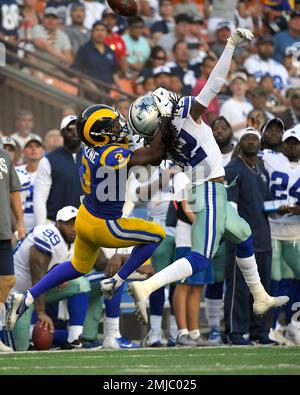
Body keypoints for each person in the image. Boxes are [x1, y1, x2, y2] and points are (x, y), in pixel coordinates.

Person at [124, 28, 289, 325]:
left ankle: (260, 296)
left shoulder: (160, 143)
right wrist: (230, 46)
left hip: (212, 191)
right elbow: (214, 83)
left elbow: (136, 158)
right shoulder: (184, 112)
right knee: (201, 259)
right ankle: (146, 287)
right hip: (208, 192)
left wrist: (111, 148)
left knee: (244, 235)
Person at [5, 104, 167, 331]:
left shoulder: (93, 146)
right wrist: (166, 123)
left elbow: (130, 148)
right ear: (100, 134)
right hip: (106, 224)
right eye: (111, 125)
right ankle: (117, 280)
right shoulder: (109, 154)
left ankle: (27, 298)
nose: (118, 125)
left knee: (78, 266)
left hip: (85, 218)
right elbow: (152, 155)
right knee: (157, 235)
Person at [33, 115, 82, 225]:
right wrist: (41, 228)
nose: (74, 132)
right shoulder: (48, 160)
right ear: (61, 133)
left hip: (85, 223)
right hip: (56, 224)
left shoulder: (91, 157)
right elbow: (39, 198)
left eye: (77, 129)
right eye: (69, 129)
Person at [0, 146, 25, 352]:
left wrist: (20, 221)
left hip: (3, 229)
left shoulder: (4, 156)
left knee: (7, 280)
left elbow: (13, 190)